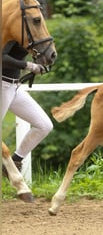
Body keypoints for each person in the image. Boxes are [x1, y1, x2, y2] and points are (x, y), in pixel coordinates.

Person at [2, 40, 52, 177]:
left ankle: (14, 162)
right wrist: (28, 66)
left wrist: (42, 59)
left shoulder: (25, 33)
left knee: (44, 125)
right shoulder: (7, 31)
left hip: (14, 87)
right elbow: (2, 57)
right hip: (2, 85)